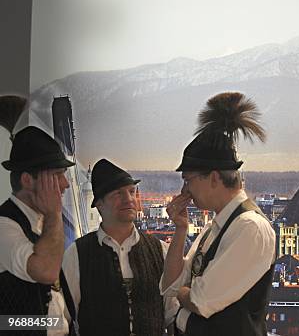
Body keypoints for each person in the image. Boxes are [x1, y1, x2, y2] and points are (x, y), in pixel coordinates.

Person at [161, 92, 276, 336]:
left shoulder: (250, 228)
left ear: (213, 178)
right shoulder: (215, 227)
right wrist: (180, 229)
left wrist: (185, 293)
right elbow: (171, 285)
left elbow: (202, 300)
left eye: (189, 180)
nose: (185, 190)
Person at [62, 158, 179, 336]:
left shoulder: (159, 250)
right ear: (99, 204)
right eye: (118, 194)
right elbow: (64, 318)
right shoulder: (77, 254)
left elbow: (171, 313)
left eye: (131, 192)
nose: (128, 199)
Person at [0, 125, 76, 336]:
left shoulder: (42, 224)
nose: (65, 184)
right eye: (57, 175)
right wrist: (54, 214)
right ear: (27, 180)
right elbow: (45, 271)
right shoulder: (4, 225)